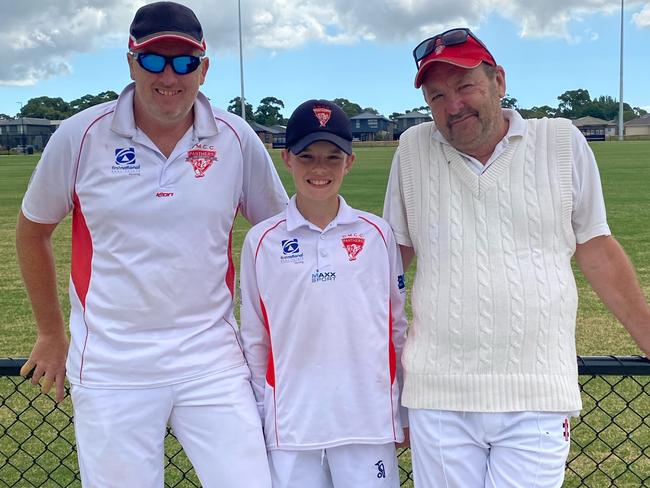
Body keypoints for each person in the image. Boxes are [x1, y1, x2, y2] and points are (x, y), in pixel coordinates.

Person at [16, 2, 288, 486]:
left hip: (211, 358)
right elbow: (33, 228)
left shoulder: (236, 138)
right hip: (111, 361)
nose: (169, 75)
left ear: (203, 68)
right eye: (153, 59)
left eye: (184, 62)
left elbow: (280, 234)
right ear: (130, 61)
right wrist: (51, 333)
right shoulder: (81, 135)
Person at [383, 27, 650, 488]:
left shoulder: (561, 141)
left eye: (465, 86)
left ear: (499, 82)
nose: (452, 106)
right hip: (439, 394)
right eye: (437, 96)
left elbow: (596, 248)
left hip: (537, 394)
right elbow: (391, 263)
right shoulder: (412, 150)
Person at [240, 99, 408, 487]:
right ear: (287, 159)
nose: (319, 169)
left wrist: (400, 410)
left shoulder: (377, 233)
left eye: (333, 157)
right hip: (292, 426)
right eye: (307, 156)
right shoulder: (261, 241)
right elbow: (254, 337)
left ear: (349, 162)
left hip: (366, 420)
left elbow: (395, 325)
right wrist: (260, 413)